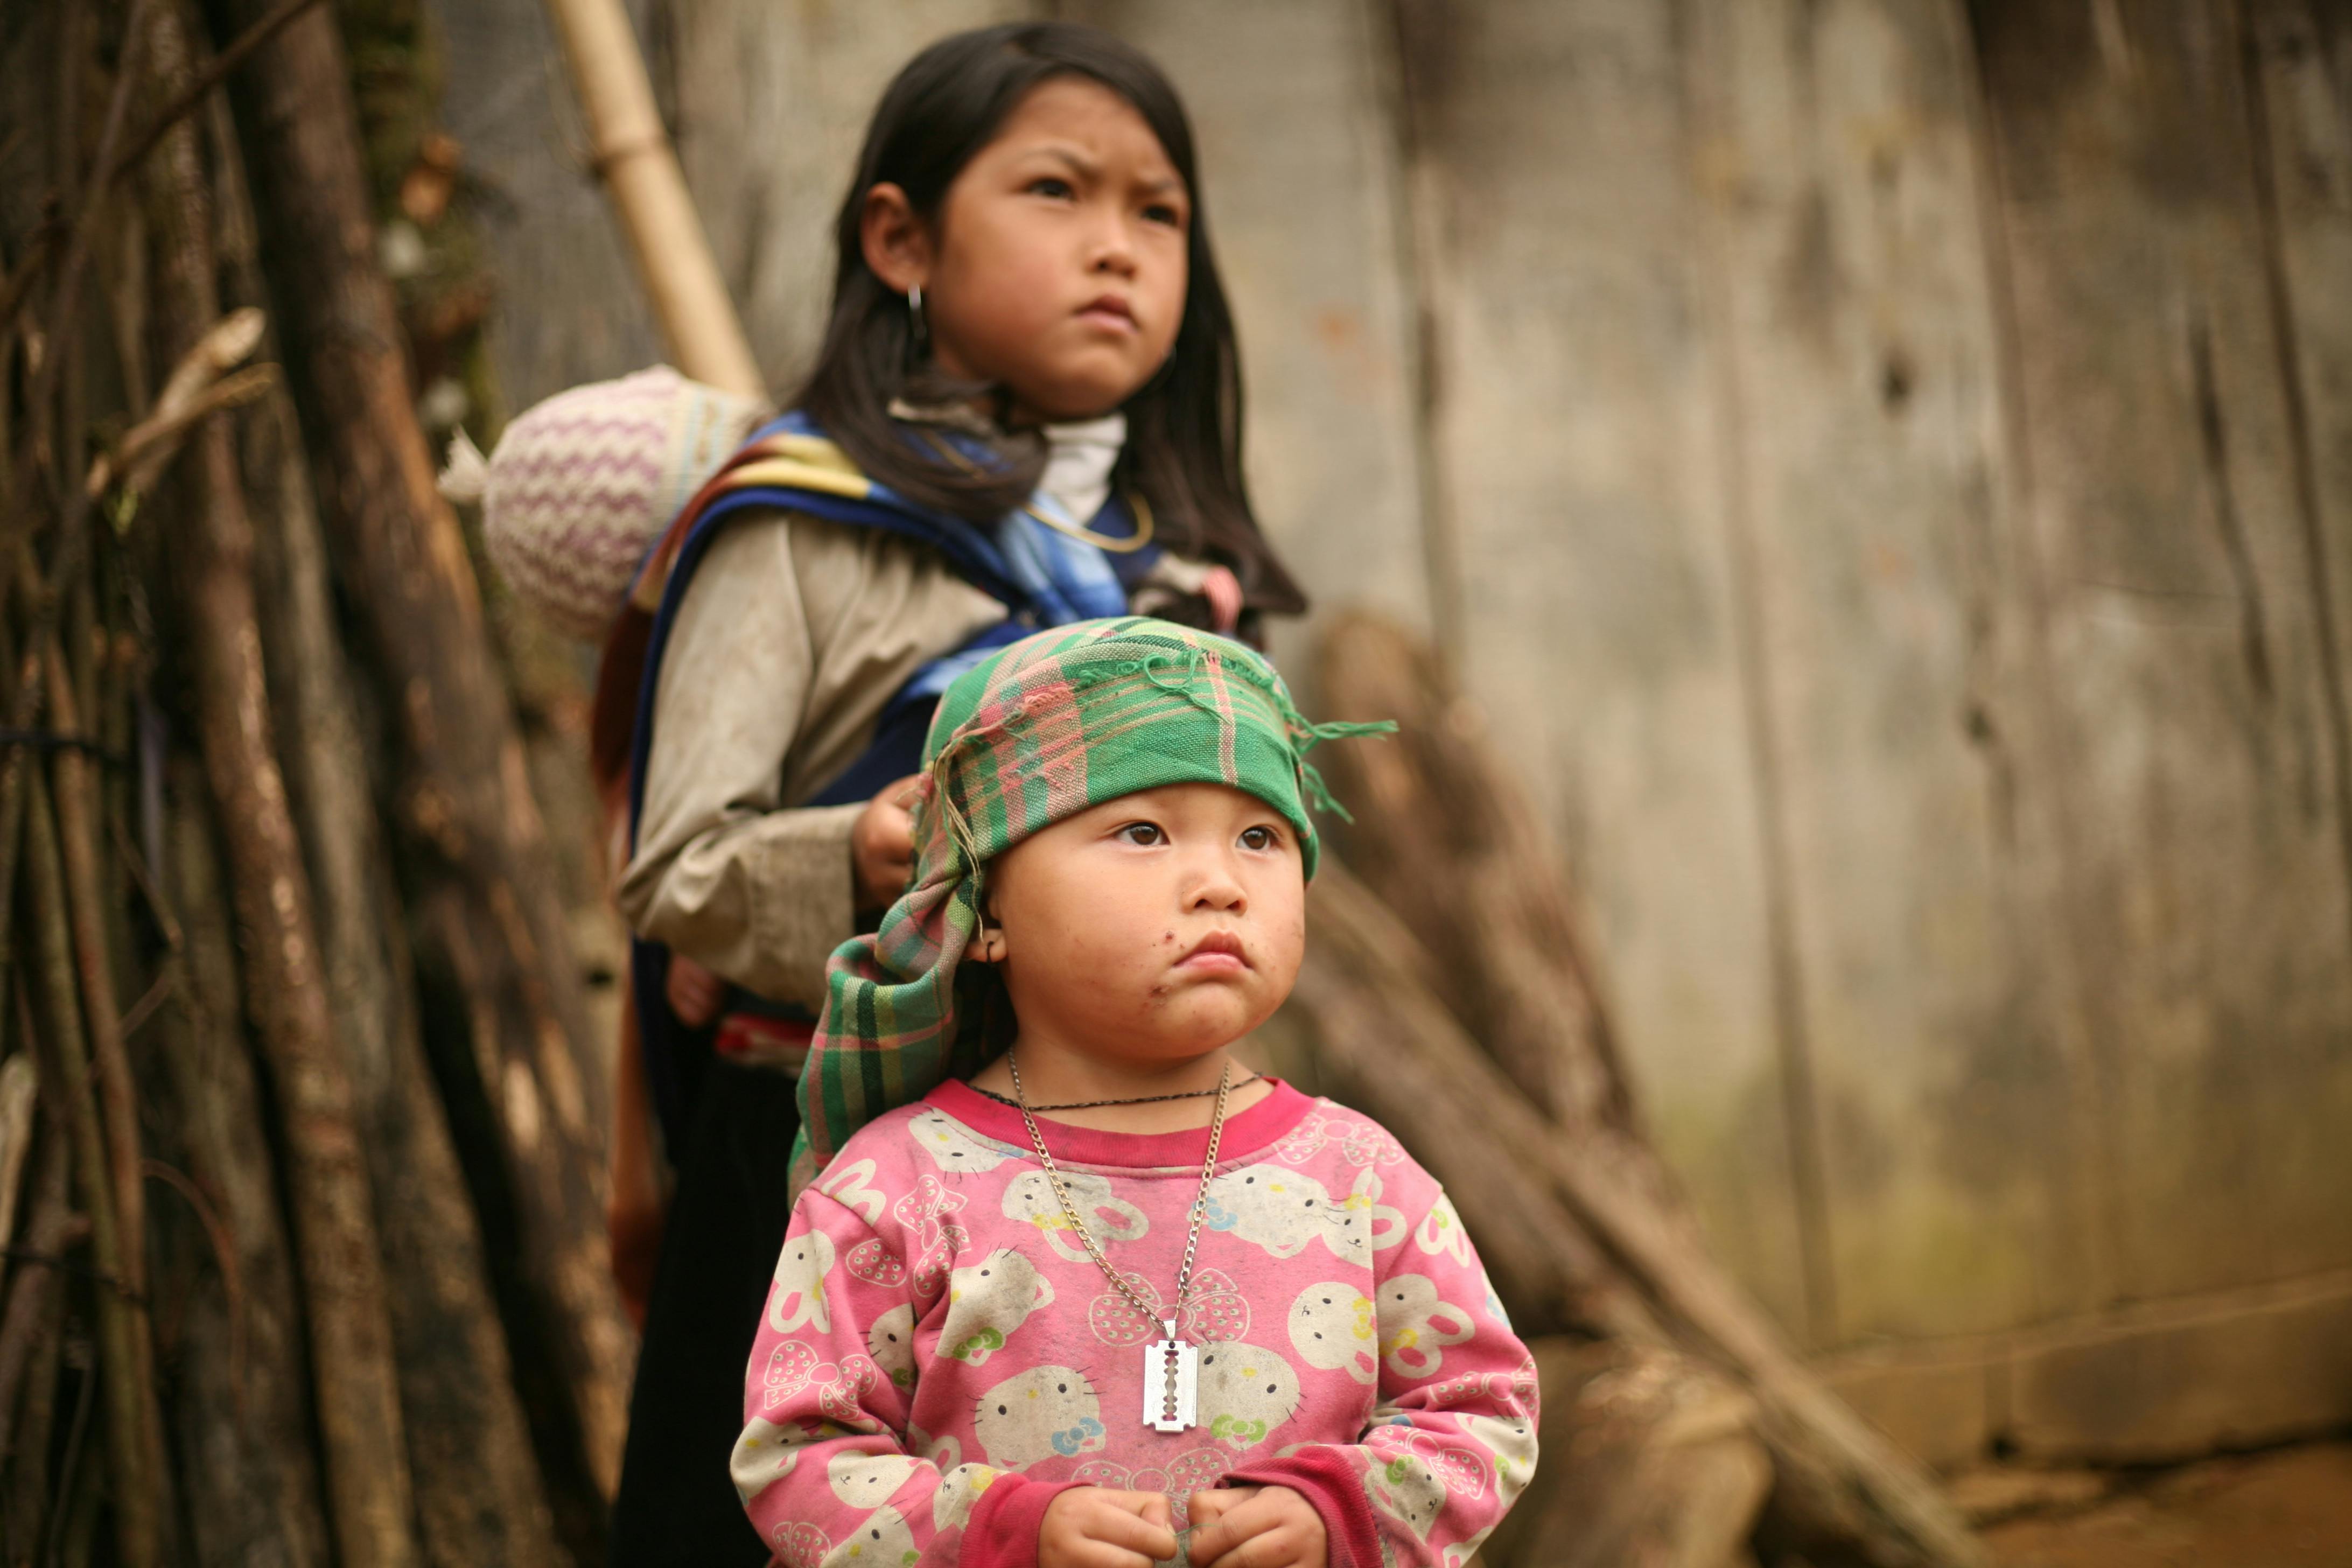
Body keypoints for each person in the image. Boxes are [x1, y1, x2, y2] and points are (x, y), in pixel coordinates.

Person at [595, 23, 1308, 1565]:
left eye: (1157, 211)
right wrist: (862, 854)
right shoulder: (795, 525)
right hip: (814, 1144)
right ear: (902, 238)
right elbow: (675, 868)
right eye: (1057, 191)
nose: (1116, 248)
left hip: (1111, 1167)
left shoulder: (1174, 576)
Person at [738, 619, 1537, 1568]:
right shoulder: (894, 1189)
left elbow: (1483, 1411)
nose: (1220, 884)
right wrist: (998, 1533)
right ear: (985, 909)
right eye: (1144, 832)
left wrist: (1343, 1511)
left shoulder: (1361, 1177)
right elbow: (797, 1458)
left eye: (1259, 837)